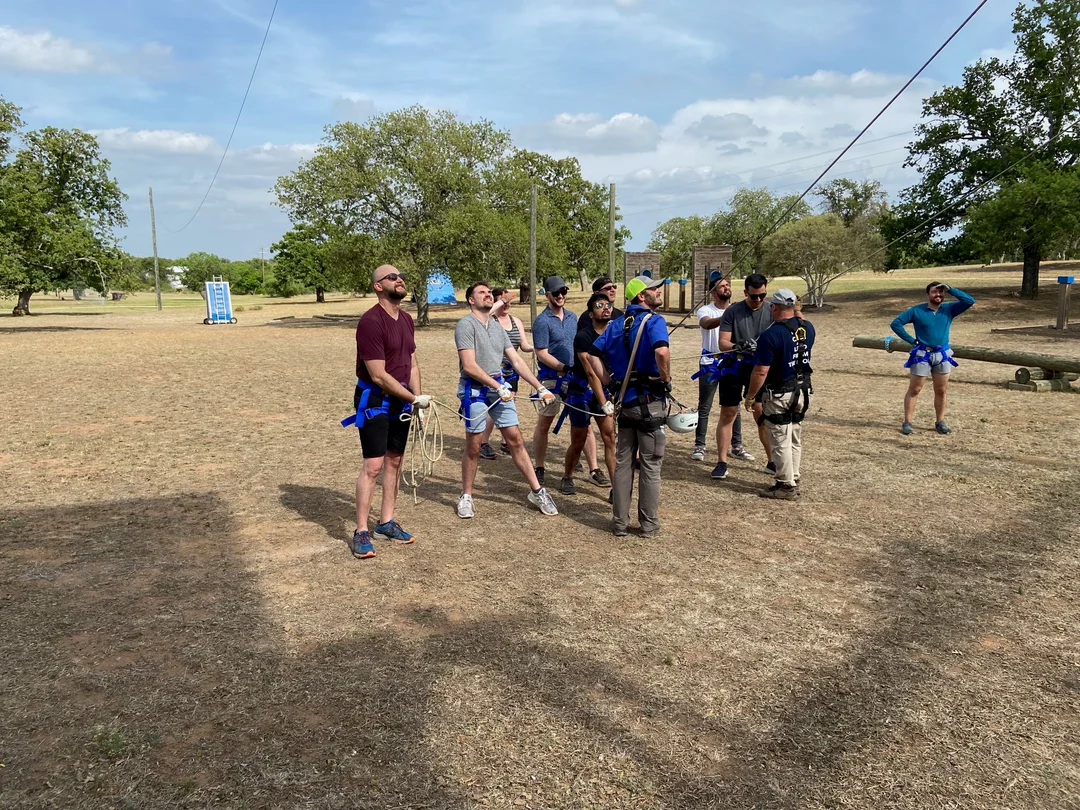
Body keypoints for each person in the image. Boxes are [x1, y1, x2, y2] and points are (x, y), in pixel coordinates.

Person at [347, 264, 432, 560]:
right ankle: (361, 531)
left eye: (401, 276)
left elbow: (412, 363)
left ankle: (385, 522)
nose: (400, 280)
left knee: (394, 461)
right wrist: (414, 398)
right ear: (378, 286)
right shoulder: (371, 322)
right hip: (375, 400)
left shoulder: (406, 319)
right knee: (373, 465)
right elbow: (379, 375)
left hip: (402, 400)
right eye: (392, 277)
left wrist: (416, 401)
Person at [455, 281, 559, 519]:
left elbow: (517, 360)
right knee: (474, 445)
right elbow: (469, 365)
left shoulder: (496, 326)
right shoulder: (465, 325)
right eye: (482, 292)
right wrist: (498, 386)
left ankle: (537, 491)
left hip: (498, 388)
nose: (488, 295)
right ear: (471, 300)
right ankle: (466, 495)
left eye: (489, 292)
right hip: (475, 390)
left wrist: (540, 387)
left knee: (515, 440)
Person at [590, 275, 671, 537]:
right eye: (654, 289)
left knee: (624, 464)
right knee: (651, 465)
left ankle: (619, 523)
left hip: (624, 402)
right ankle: (648, 525)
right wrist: (665, 378)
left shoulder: (615, 325)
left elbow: (592, 354)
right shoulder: (655, 321)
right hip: (649, 402)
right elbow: (661, 352)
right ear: (641, 296)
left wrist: (609, 381)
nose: (659, 291)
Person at [532, 276, 604, 486]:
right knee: (545, 423)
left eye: (563, 291)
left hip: (576, 380)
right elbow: (541, 353)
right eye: (556, 293)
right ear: (547, 295)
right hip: (551, 379)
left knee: (585, 423)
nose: (560, 296)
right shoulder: (542, 321)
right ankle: (539, 467)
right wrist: (563, 368)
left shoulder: (573, 317)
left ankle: (594, 468)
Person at [744, 289, 816, 500]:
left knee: (779, 438)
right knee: (794, 435)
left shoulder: (771, 335)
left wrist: (751, 395)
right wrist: (797, 309)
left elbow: (761, 371)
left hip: (779, 393)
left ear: (773, 307)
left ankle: (785, 484)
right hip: (803, 390)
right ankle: (793, 475)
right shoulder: (808, 328)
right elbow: (800, 321)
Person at [710, 273, 776, 481]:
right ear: (746, 292)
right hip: (734, 367)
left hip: (759, 370)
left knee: (761, 413)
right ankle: (722, 462)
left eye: (762, 295)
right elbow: (723, 343)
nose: (758, 300)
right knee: (728, 413)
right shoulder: (733, 311)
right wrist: (738, 346)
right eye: (754, 296)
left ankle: (772, 461)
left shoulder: (772, 310)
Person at [890, 282, 975, 435]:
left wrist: (951, 289)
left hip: (942, 355)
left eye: (941, 292)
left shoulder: (949, 309)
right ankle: (907, 422)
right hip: (922, 355)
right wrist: (912, 340)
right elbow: (896, 324)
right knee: (915, 389)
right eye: (934, 292)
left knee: (941, 390)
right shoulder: (917, 310)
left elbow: (969, 301)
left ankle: (940, 422)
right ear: (928, 294)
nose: (938, 295)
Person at [691, 270, 753, 463]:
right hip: (710, 363)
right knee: (705, 406)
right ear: (713, 292)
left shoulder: (738, 310)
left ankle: (737, 446)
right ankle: (699, 445)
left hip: (732, 363)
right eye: (722, 286)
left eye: (728, 285)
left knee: (733, 406)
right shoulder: (705, 310)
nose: (727, 288)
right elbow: (707, 324)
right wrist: (729, 314)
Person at [559, 292, 617, 495]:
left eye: (608, 305)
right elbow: (591, 372)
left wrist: (614, 391)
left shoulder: (615, 334)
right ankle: (567, 476)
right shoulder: (583, 337)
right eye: (600, 305)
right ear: (591, 314)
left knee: (610, 438)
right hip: (581, 391)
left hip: (605, 390)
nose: (606, 308)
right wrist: (604, 402)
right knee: (579, 441)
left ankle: (616, 488)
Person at [478, 287, 533, 460]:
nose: (507, 303)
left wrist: (537, 349)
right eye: (503, 300)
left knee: (508, 407)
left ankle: (505, 442)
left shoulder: (516, 321)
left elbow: (523, 345)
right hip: (493, 372)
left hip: (511, 372)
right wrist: (502, 300)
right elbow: (485, 313)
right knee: (494, 407)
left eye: (508, 300)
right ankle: (483, 443)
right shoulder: (489, 319)